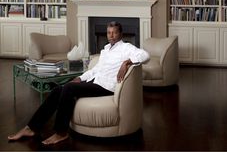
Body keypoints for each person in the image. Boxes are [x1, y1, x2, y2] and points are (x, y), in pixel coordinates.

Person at [8, 21, 149, 145]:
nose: (111, 35)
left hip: (108, 87)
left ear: (120, 34)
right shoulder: (106, 50)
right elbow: (96, 70)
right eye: (108, 32)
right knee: (58, 90)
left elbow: (145, 55)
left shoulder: (126, 47)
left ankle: (61, 132)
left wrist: (126, 62)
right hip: (96, 82)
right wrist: (80, 78)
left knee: (68, 88)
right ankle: (31, 128)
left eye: (114, 33)